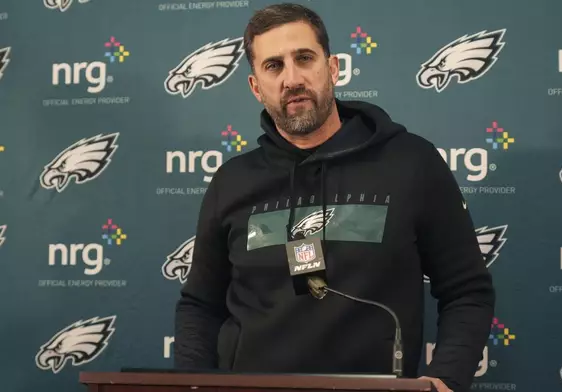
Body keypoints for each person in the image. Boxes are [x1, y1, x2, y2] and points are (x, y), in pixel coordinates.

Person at [173, 3, 495, 392]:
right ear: (256, 87)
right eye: (274, 66)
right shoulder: (232, 181)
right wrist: (192, 385)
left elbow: (467, 291)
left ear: (334, 68)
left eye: (304, 58)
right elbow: (200, 306)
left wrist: (446, 379)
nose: (292, 78)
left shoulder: (412, 163)